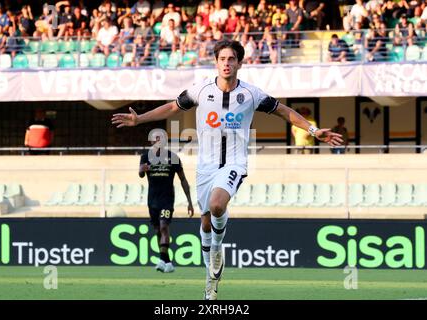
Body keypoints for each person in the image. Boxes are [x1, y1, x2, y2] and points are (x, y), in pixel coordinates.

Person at [111, 40, 343, 300]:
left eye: (231, 59)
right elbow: (172, 107)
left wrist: (313, 129)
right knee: (206, 220)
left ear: (239, 63)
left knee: (218, 205)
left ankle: (218, 249)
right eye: (222, 58)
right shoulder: (201, 90)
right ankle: (211, 280)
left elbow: (283, 111)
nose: (226, 63)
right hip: (205, 167)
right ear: (216, 62)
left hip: (234, 163)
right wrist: (139, 119)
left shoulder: (251, 94)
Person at [139, 133, 194, 273]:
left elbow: (183, 179)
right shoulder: (145, 156)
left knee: (164, 227)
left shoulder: (173, 158)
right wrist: (141, 170)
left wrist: (189, 202)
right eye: (155, 138)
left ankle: (161, 260)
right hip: (152, 199)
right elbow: (140, 173)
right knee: (157, 230)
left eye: (160, 138)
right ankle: (167, 262)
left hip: (167, 199)